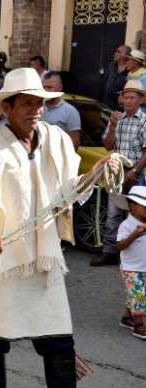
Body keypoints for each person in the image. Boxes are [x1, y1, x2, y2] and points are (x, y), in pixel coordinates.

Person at [0, 67, 112, 388]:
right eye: (28, 103)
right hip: (6, 257)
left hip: (46, 251)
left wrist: (96, 175)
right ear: (9, 107)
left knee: (57, 331)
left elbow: (68, 191)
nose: (36, 110)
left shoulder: (57, 140)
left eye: (41, 104)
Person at [92, 80, 146, 266]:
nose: (128, 101)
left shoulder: (145, 121)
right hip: (117, 171)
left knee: (137, 213)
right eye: (126, 97)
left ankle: (134, 254)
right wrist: (113, 125)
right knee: (113, 214)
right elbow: (108, 145)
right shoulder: (117, 119)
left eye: (133, 97)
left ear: (141, 100)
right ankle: (110, 252)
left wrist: (135, 171)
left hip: (137, 174)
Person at [117, 185, 146, 340]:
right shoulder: (126, 225)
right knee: (139, 297)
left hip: (144, 266)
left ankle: (127, 318)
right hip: (132, 268)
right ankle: (139, 326)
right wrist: (135, 235)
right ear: (133, 206)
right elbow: (120, 246)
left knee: (137, 295)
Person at [42, 72, 81, 150]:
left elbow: (74, 143)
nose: (46, 91)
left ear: (60, 88)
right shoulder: (37, 108)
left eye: (49, 87)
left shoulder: (70, 111)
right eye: (44, 87)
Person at [104, 45, 131, 110]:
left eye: (119, 52)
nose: (115, 53)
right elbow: (105, 81)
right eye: (116, 51)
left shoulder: (130, 70)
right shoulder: (112, 66)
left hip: (121, 107)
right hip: (107, 104)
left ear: (126, 55)